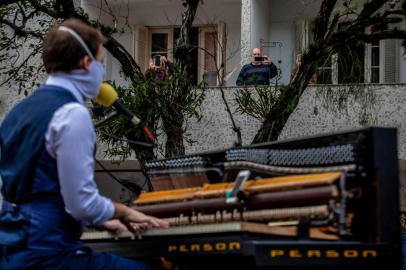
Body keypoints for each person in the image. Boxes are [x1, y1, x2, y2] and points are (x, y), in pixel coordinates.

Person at [0, 19, 168, 270]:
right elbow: (81, 201)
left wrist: (102, 220)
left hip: (15, 248)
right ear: (86, 63)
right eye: (101, 63)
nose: (102, 73)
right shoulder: (72, 113)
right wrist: (125, 212)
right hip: (50, 253)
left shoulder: (19, 111)